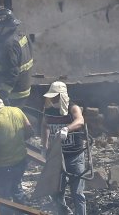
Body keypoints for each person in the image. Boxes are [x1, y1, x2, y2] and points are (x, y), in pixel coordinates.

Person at [37, 81, 87, 215]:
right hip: (57, 156)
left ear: (62, 96)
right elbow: (44, 126)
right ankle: (65, 212)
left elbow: (80, 121)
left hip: (75, 155)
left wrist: (67, 128)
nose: (53, 99)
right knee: (56, 192)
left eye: (55, 97)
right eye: (51, 97)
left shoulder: (73, 107)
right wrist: (44, 145)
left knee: (77, 193)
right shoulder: (48, 110)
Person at [0, 89, 33, 202]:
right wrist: (17, 141)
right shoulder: (17, 110)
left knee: (3, 196)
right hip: (21, 160)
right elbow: (29, 130)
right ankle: (23, 211)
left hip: (4, 165)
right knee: (16, 188)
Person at [0, 9, 34, 105]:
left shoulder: (8, 45)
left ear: (4, 26)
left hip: (13, 94)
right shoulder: (21, 35)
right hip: (24, 86)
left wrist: (2, 94)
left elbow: (12, 72)